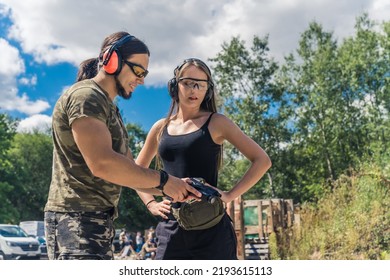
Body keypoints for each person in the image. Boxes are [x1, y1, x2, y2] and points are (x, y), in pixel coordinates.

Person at [44, 32, 200, 260]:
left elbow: (130, 169)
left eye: (144, 73)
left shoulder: (109, 107)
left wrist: (176, 188)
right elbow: (102, 164)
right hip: (75, 219)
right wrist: (166, 181)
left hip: (93, 220)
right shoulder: (86, 96)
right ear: (112, 60)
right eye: (138, 71)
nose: (142, 80)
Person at [136, 58, 272, 259]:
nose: (194, 89)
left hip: (212, 227)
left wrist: (228, 195)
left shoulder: (217, 122)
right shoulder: (160, 128)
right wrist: (151, 204)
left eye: (201, 84)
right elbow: (135, 174)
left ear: (208, 89)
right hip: (171, 226)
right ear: (175, 85)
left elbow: (262, 160)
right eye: (188, 82)